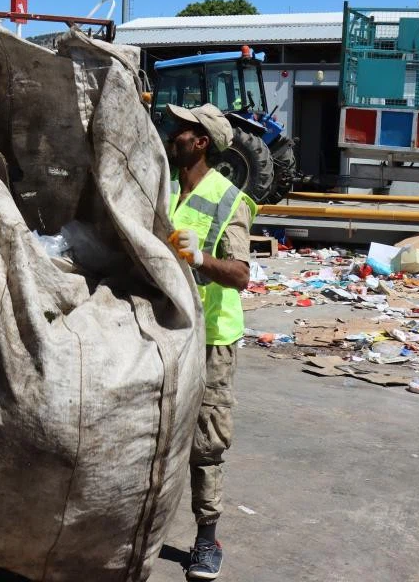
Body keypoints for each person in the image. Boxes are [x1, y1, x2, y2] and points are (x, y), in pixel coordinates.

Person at [163, 103, 256, 581]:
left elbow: (240, 274)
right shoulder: (160, 186)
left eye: (182, 130)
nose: (172, 134)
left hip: (211, 337)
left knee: (206, 441)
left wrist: (200, 258)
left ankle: (206, 540)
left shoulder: (228, 198)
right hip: (163, 328)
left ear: (200, 142)